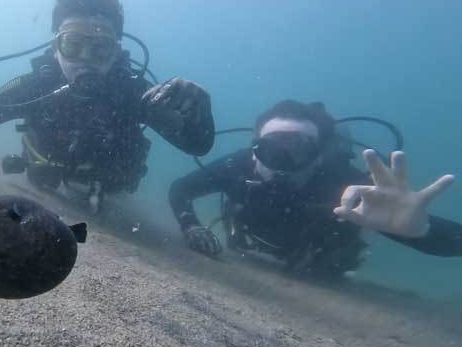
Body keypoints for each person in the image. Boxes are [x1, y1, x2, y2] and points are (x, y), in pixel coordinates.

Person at [0, 0, 214, 213]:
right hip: (43, 179)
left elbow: (196, 145)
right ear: (54, 47)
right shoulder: (35, 86)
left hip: (111, 188)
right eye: (74, 44)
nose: (86, 60)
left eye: (100, 48)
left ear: (116, 53)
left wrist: (200, 111)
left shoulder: (135, 93)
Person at [169, 99, 462, 278]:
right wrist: (190, 226)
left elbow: (455, 241)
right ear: (254, 149)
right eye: (271, 149)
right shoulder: (237, 167)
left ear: (320, 155)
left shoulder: (344, 185)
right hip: (248, 247)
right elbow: (181, 189)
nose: (283, 161)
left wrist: (421, 231)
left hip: (320, 271)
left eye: (298, 149)